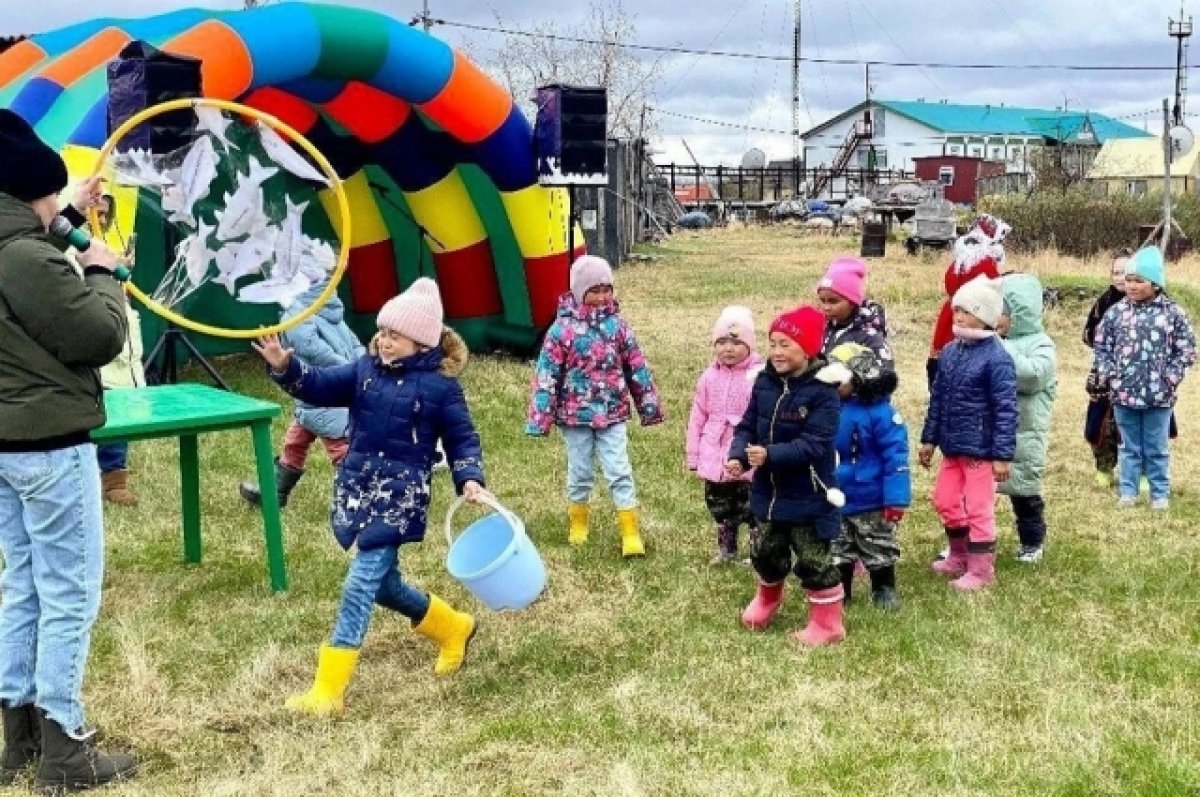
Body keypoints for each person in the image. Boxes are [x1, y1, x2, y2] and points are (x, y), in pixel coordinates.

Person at [253, 278, 488, 715]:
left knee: (359, 585)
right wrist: (287, 366)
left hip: (399, 500)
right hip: (358, 488)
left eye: (394, 335)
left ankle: (328, 692)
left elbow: (462, 438)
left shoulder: (440, 387)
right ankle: (453, 627)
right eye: (382, 332)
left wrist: (469, 476)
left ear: (420, 342)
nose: (383, 341)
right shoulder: (363, 369)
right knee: (384, 586)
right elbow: (320, 386)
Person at [0, 109, 137, 789]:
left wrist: (70, 211)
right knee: (68, 593)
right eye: (51, 195)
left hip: (6, 445)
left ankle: (20, 735)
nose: (60, 207)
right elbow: (96, 335)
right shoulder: (25, 257)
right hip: (50, 447)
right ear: (27, 190)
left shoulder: (18, 246)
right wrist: (103, 270)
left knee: (21, 585)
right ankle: (65, 746)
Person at [526, 255, 663, 557]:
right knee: (580, 472)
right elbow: (547, 376)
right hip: (574, 418)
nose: (602, 297)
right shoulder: (560, 331)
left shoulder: (618, 328)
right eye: (594, 290)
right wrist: (540, 417)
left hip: (612, 415)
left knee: (619, 470)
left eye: (607, 289)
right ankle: (578, 522)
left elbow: (636, 368)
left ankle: (630, 532)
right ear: (577, 291)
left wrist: (648, 405)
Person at [729, 305, 846, 647]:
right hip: (769, 491)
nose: (776, 352)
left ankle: (828, 624)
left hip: (809, 494)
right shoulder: (764, 382)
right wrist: (739, 456)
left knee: (812, 558)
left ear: (808, 349)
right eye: (773, 343)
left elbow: (815, 445)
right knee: (766, 550)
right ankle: (767, 599)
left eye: (786, 345)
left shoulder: (824, 393)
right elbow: (748, 424)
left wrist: (770, 455)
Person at [920, 276, 1017, 592]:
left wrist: (1002, 455)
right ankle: (958, 556)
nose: (958, 316)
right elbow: (938, 399)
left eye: (967, 311)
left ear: (986, 315)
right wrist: (929, 439)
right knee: (945, 500)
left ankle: (981, 569)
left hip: (981, 451)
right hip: (952, 447)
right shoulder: (949, 352)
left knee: (978, 508)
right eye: (956, 310)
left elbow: (1006, 409)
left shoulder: (997, 357)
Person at [238, 279, 364, 508]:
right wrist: (353, 368)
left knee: (340, 446)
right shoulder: (315, 313)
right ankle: (275, 492)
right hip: (312, 397)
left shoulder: (310, 315)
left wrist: (358, 365)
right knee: (294, 443)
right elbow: (315, 349)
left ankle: (358, 494)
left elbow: (329, 348)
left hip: (326, 397)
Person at [1092, 247, 1197, 510]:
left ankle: (1159, 492)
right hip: (1123, 394)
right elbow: (1101, 345)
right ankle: (1128, 491)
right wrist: (1111, 376)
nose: (1132, 286)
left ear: (1155, 282)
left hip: (1159, 396)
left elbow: (1186, 349)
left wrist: (1170, 378)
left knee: (1156, 447)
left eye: (1139, 280)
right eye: (1129, 280)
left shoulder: (1172, 313)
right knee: (1129, 446)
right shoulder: (1115, 313)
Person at [816, 343, 910, 610]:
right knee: (838, 546)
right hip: (836, 493)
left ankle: (883, 587)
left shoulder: (882, 414)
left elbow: (896, 457)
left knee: (877, 545)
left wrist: (896, 499)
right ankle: (840, 590)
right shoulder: (828, 409)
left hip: (871, 496)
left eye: (839, 382)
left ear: (857, 379)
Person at [686, 305, 764, 564]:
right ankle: (726, 548)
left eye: (735, 342)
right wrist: (694, 454)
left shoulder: (759, 376)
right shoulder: (708, 377)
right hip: (714, 449)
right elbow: (698, 417)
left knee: (751, 504)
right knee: (719, 503)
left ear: (749, 345)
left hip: (746, 449)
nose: (728, 348)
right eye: (721, 342)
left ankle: (757, 552)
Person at [996, 273, 1057, 563]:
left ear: (1020, 312)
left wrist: (999, 347)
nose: (995, 317)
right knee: (973, 492)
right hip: (992, 432)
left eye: (1002, 311)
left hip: (1025, 433)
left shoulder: (1041, 345)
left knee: (1024, 493)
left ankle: (1032, 543)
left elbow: (1032, 376)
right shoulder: (994, 341)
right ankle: (968, 542)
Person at [927, 214, 1009, 389]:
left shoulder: (960, 260)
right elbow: (991, 293)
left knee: (942, 356)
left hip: (951, 312)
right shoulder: (985, 263)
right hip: (973, 314)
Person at [1082, 249, 1132, 489]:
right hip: (1105, 374)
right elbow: (1087, 334)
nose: (1121, 278)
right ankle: (1104, 468)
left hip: (1138, 375)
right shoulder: (1103, 302)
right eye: (1116, 272)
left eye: (1127, 272)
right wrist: (1105, 340)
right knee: (1101, 423)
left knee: (1136, 424)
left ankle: (1138, 471)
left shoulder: (1150, 302)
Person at [815, 254, 892, 365]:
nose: (826, 307)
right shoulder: (823, 328)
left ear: (852, 302)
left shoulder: (869, 336)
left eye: (833, 301)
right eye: (822, 301)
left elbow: (884, 375)